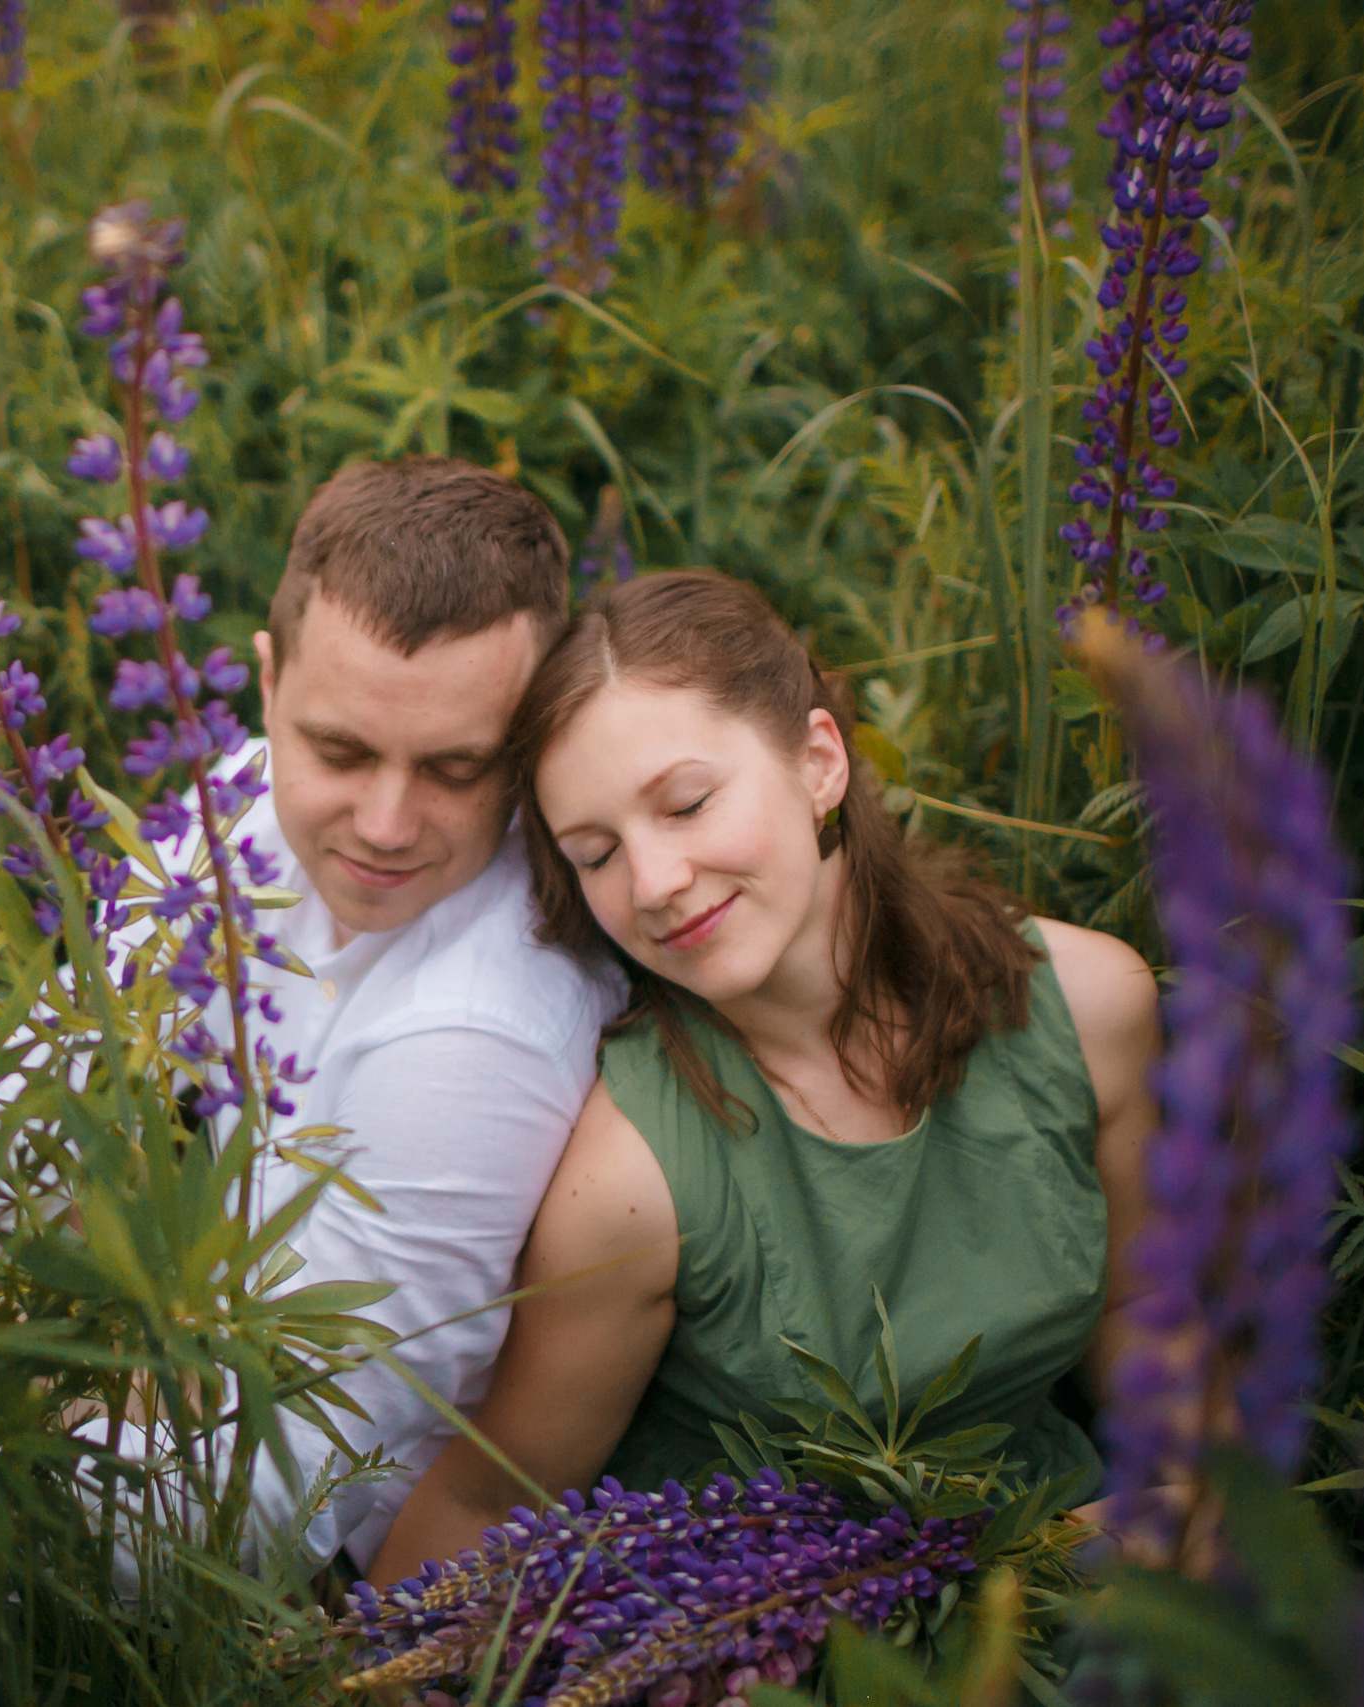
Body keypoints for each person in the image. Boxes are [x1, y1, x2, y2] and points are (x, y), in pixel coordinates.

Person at [368, 571, 1163, 1584]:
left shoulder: (1090, 1006)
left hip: (1072, 1568)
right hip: (757, 1636)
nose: (653, 883)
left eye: (687, 803)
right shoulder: (631, 1178)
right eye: (595, 853)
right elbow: (492, 1496)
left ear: (819, 761)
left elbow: (1138, 1307)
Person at [120, 457, 623, 1574]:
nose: (385, 823)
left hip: (302, 1547)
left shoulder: (482, 1030)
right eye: (338, 750)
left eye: (454, 767)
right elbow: (40, 1072)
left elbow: (283, 1476)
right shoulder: (248, 799)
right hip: (171, 1362)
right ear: (265, 687)